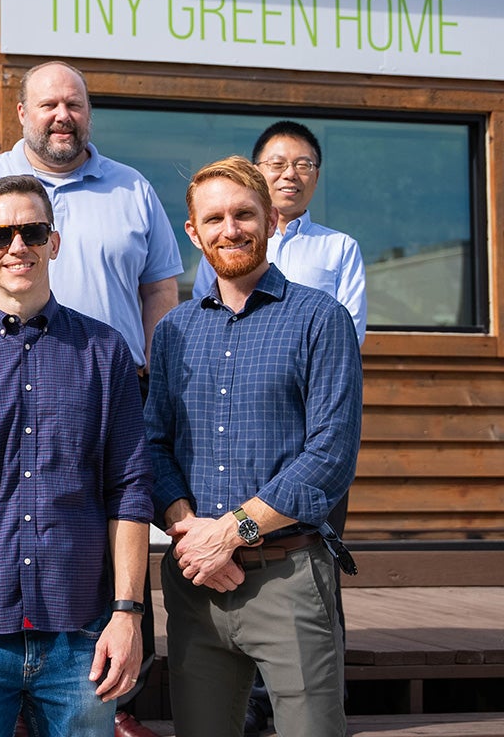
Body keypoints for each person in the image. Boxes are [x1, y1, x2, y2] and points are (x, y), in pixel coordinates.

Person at [0, 60, 181, 737]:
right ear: (22, 113)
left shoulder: (133, 188)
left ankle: (119, 693)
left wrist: (153, 374)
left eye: (74, 104)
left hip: (112, 384)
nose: (61, 115)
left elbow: (161, 289)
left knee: (109, 514)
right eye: (48, 104)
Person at [0, 175, 153, 736]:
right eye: (1, 234)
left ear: (54, 242)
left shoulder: (106, 353)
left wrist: (127, 616)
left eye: (33, 231)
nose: (18, 246)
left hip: (82, 637)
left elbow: (130, 491)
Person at [146, 156, 362, 737]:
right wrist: (191, 530)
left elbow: (330, 454)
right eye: (213, 218)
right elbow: (153, 445)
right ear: (193, 232)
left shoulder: (321, 318)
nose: (230, 229)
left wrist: (232, 532)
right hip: (195, 583)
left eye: (244, 214)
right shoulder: (174, 331)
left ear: (271, 220)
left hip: (286, 575)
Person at [192, 120, 367, 345]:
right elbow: (205, 313)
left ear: (317, 177)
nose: (290, 174)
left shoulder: (340, 247)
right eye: (277, 164)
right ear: (255, 173)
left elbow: (349, 332)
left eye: (303, 165)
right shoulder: (228, 242)